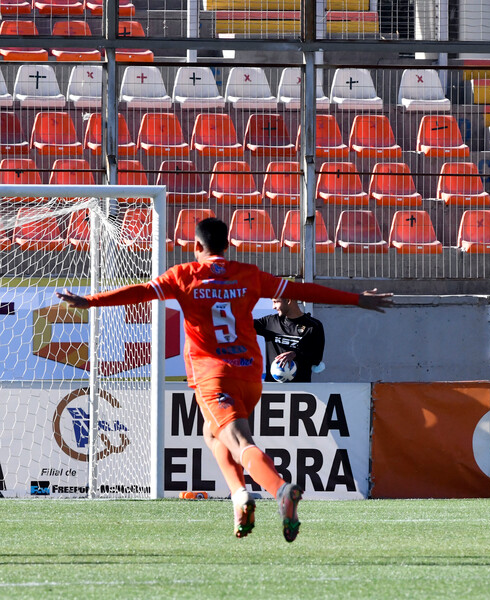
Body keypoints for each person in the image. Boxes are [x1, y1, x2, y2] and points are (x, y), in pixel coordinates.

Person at [56, 218, 393, 543]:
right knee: (211, 432)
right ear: (227, 244)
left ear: (196, 245)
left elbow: (141, 292)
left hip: (214, 377)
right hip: (250, 375)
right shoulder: (247, 274)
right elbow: (301, 290)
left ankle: (279, 490)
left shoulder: (184, 275)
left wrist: (91, 301)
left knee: (240, 443)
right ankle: (239, 496)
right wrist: (356, 299)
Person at [255, 298, 325, 383]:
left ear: (288, 300)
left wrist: (295, 354)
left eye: (276, 302)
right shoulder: (269, 322)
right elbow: (243, 325)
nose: (273, 307)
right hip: (273, 388)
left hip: (301, 388)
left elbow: (316, 358)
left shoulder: (313, 326)